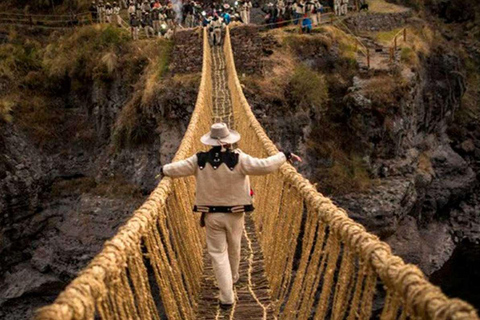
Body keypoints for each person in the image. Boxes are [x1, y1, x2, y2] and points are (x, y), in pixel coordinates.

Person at [159, 123, 302, 308]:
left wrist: (163, 171)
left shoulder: (199, 160)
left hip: (211, 215)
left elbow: (176, 168)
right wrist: (285, 155)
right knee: (234, 248)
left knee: (218, 254)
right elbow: (265, 166)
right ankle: (233, 278)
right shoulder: (240, 159)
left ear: (210, 142)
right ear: (228, 142)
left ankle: (226, 297)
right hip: (235, 215)